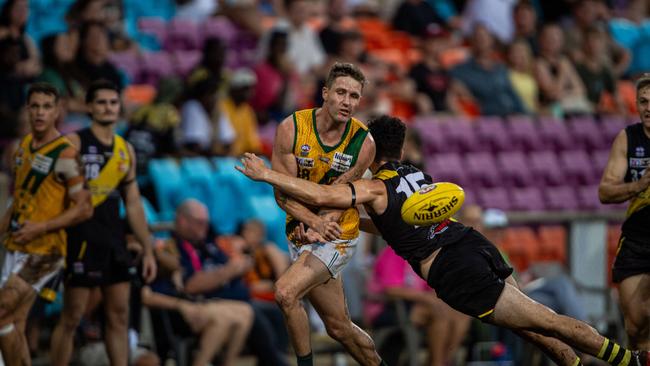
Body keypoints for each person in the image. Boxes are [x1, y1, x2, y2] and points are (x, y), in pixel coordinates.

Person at [237, 114, 650, 366]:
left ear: (372, 150)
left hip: (453, 268)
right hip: (473, 242)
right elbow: (397, 226)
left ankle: (630, 361)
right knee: (534, 330)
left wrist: (267, 175)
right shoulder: (418, 175)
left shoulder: (376, 187)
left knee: (548, 322)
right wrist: (356, 225)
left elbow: (324, 195)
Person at [270, 62, 383, 366]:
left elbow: (340, 199)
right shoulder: (291, 129)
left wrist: (319, 225)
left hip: (338, 234)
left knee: (285, 293)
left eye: (355, 96)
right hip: (303, 229)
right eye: (342, 93)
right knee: (339, 328)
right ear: (325, 93)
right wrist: (307, 222)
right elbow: (282, 194)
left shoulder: (363, 143)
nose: (348, 102)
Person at [50, 79, 157, 366]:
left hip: (113, 239)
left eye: (113, 102)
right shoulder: (74, 142)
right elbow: (55, 192)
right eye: (101, 102)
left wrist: (147, 249)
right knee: (72, 315)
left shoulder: (126, 150)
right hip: (80, 237)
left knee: (119, 314)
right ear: (89, 106)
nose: (108, 108)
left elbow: (133, 204)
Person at [0, 82, 93, 366]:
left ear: (58, 112)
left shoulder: (65, 154)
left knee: (2, 312)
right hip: (17, 246)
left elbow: (85, 208)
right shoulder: (23, 148)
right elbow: (18, 200)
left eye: (47, 107)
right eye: (35, 106)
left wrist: (40, 227)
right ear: (28, 110)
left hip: (46, 251)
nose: (40, 113)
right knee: (14, 323)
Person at [599, 74, 650, 350]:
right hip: (637, 239)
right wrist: (641, 184)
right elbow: (605, 192)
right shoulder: (628, 138)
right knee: (635, 324)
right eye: (643, 101)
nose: (648, 108)